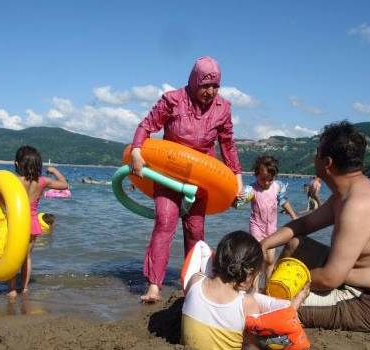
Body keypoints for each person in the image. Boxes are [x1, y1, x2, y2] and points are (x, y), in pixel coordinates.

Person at [261, 121, 370, 332]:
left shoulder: (357, 205)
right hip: (354, 283)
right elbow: (303, 223)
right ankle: (273, 290)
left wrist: (288, 281)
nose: (314, 158)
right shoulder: (346, 195)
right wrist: (263, 244)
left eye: (316, 153)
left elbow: (331, 277)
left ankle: (273, 294)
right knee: (295, 243)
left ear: (327, 162)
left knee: (275, 309)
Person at [130, 56, 244, 302]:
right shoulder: (173, 100)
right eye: (205, 86)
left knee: (195, 229)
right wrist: (137, 151)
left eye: (215, 86)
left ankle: (192, 285)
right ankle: (154, 286)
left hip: (201, 177)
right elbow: (146, 126)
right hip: (168, 172)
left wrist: (237, 180)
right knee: (165, 221)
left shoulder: (222, 108)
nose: (210, 91)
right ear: (193, 81)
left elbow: (228, 144)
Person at [181, 231, 309, 350]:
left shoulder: (195, 281)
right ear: (250, 274)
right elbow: (254, 343)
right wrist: (297, 301)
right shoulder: (246, 304)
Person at [0, 145, 68, 298]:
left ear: (17, 164)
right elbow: (64, 185)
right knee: (27, 257)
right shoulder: (42, 181)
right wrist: (55, 171)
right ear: (38, 165)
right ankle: (25, 288)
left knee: (11, 256)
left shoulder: (13, 181)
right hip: (32, 223)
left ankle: (11, 290)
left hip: (15, 223)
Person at [240, 155, 297, 281]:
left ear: (274, 177)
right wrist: (238, 196)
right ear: (256, 175)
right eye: (263, 179)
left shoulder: (277, 187)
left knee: (270, 260)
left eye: (269, 180)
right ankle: (253, 288)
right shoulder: (252, 189)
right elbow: (238, 203)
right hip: (256, 227)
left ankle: (267, 287)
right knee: (258, 258)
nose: (266, 183)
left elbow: (284, 202)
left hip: (271, 228)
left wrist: (294, 217)